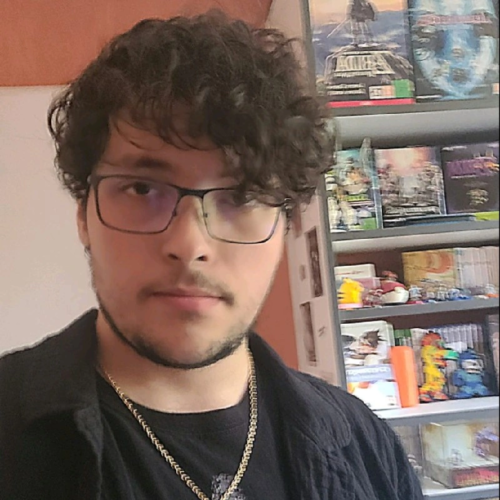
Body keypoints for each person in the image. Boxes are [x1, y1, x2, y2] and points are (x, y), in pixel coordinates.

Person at [0, 12, 423, 500]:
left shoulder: (365, 447)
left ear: (286, 226)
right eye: (141, 188)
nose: (190, 245)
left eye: (241, 197)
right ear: (84, 215)